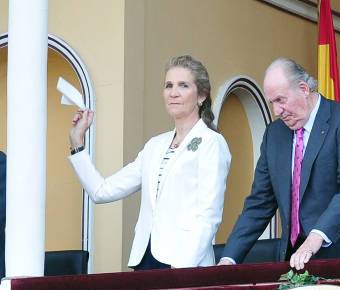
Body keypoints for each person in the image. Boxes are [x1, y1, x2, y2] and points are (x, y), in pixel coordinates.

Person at [219, 58, 340, 270]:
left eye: (281, 100)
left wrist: (316, 236)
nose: (277, 111)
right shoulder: (274, 134)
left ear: (303, 89)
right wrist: (229, 259)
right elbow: (260, 202)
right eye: (272, 102)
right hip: (300, 258)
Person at [69, 55, 231, 270]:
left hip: (185, 264)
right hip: (145, 259)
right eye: (168, 85)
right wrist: (77, 143)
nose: (173, 93)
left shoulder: (212, 142)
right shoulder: (155, 146)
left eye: (183, 85)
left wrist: (182, 269)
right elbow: (101, 191)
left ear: (201, 95)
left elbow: (208, 216)